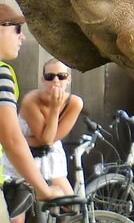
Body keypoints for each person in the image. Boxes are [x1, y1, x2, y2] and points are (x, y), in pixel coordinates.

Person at [0, 5, 68, 223]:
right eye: (17, 29)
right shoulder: (2, 74)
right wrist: (44, 190)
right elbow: (11, 138)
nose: (22, 37)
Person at [1, 58, 83, 223]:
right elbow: (46, 139)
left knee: (71, 205)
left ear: (69, 79)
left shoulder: (74, 102)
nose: (55, 81)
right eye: (50, 76)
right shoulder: (31, 99)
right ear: (42, 79)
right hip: (24, 157)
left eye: (61, 76)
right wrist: (54, 108)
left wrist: (31, 139)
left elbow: (51, 139)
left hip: (50, 157)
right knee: (16, 216)